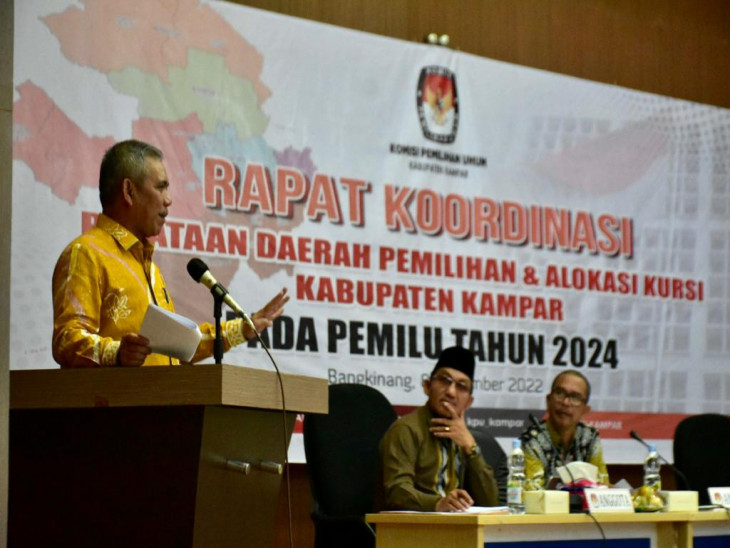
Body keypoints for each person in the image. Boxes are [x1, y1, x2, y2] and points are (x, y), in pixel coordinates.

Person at [52, 139, 288, 368]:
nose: (169, 200)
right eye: (160, 187)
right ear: (129, 191)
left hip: (162, 396)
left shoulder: (150, 269)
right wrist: (116, 353)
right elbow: (66, 340)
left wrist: (243, 329)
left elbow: (181, 348)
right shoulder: (86, 253)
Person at [379, 346, 499, 511]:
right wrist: (437, 503)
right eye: (444, 380)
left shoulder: (462, 438)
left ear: (469, 402)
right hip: (412, 525)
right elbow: (396, 492)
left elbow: (491, 503)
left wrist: (471, 448)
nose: (451, 392)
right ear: (427, 386)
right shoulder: (406, 430)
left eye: (461, 386)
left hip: (455, 524)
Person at [519, 371, 609, 489]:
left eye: (575, 397)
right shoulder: (531, 439)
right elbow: (533, 492)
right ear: (548, 400)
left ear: (585, 410)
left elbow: (602, 485)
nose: (566, 402)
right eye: (560, 393)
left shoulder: (589, 437)